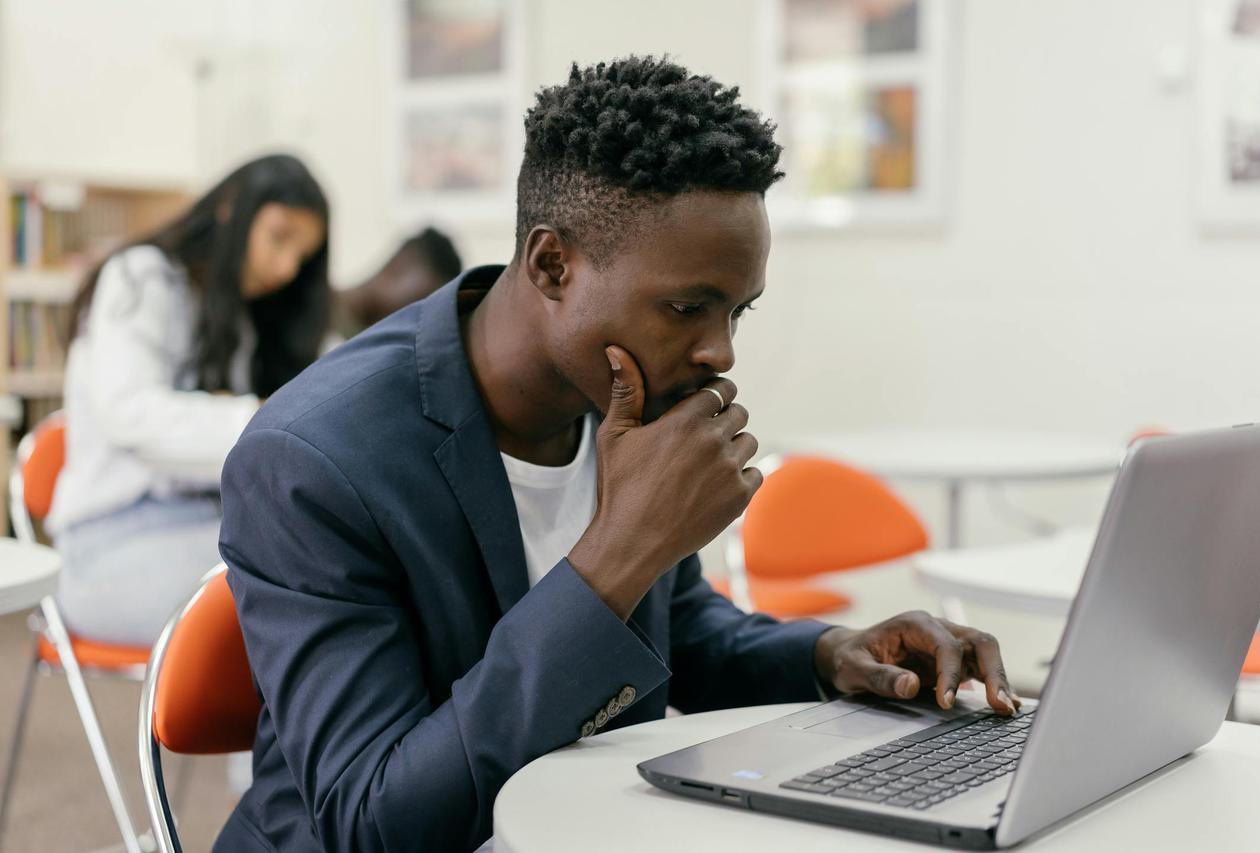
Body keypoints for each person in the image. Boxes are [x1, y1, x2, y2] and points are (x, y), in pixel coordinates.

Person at [215, 58, 1019, 853]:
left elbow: (683, 634)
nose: (719, 352)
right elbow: (372, 823)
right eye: (686, 307)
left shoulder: (618, 396)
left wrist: (830, 654)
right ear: (551, 264)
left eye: (738, 311)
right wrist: (617, 551)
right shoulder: (312, 460)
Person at [47, 153, 329, 647]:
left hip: (196, 526)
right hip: (106, 545)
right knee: (294, 588)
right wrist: (262, 416)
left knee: (323, 563)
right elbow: (132, 417)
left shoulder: (231, 317)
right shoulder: (140, 277)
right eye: (279, 238)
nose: (286, 269)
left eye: (301, 257)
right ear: (230, 208)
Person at [330, 225, 462, 338]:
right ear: (399, 266)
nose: (416, 319)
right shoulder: (315, 311)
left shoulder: (371, 351)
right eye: (419, 300)